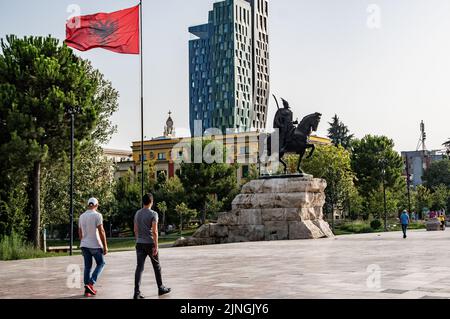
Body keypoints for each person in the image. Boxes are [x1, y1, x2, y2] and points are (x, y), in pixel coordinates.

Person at [134, 193, 171, 299]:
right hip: (150, 244)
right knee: (156, 266)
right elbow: (154, 231)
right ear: (151, 202)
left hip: (140, 243)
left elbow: (135, 229)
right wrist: (156, 245)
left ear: (143, 202)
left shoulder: (137, 213)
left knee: (139, 268)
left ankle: (136, 293)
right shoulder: (154, 214)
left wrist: (138, 240)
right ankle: (160, 288)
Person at [78, 197, 108, 297]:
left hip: (84, 245)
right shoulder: (98, 215)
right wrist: (105, 246)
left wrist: (83, 242)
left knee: (87, 267)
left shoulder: (81, 216)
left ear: (88, 205)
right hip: (95, 245)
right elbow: (101, 231)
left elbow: (80, 232)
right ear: (96, 205)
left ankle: (87, 291)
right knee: (101, 263)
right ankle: (91, 283)